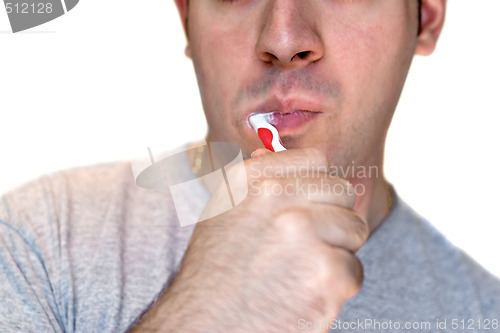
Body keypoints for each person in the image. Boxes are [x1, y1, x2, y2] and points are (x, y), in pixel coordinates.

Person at [1, 0, 499, 332]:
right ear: (186, 18)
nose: (283, 41)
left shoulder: (484, 316)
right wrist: (203, 314)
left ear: (425, 18)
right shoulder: (34, 246)